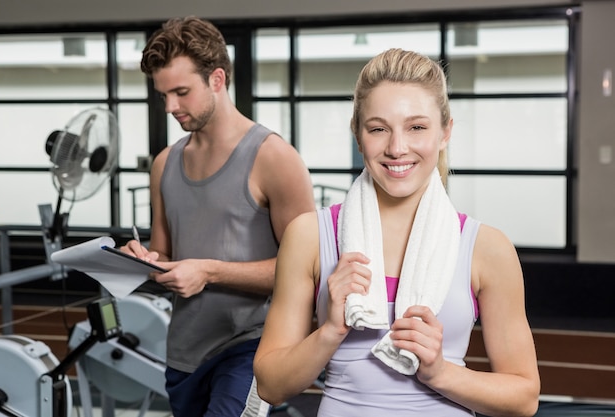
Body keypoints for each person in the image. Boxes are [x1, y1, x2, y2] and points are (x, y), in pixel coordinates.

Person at [253, 48, 540, 417]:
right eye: (378, 129)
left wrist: (438, 372)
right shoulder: (310, 235)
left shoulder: (486, 248)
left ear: (445, 132)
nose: (397, 148)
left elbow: (524, 398)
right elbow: (271, 386)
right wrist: (330, 331)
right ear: (358, 134)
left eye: (417, 127)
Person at [122, 16, 316, 417]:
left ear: (217, 79)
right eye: (163, 96)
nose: (171, 107)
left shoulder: (274, 158)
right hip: (184, 355)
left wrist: (209, 271)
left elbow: (308, 270)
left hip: (251, 348)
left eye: (181, 92)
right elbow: (164, 255)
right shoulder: (164, 164)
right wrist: (140, 261)